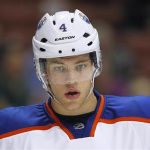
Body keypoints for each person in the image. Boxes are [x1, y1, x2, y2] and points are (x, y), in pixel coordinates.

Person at [0, 9, 150, 150]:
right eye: (59, 68)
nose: (71, 80)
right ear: (43, 72)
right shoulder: (8, 129)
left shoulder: (143, 115)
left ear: (95, 65)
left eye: (80, 66)